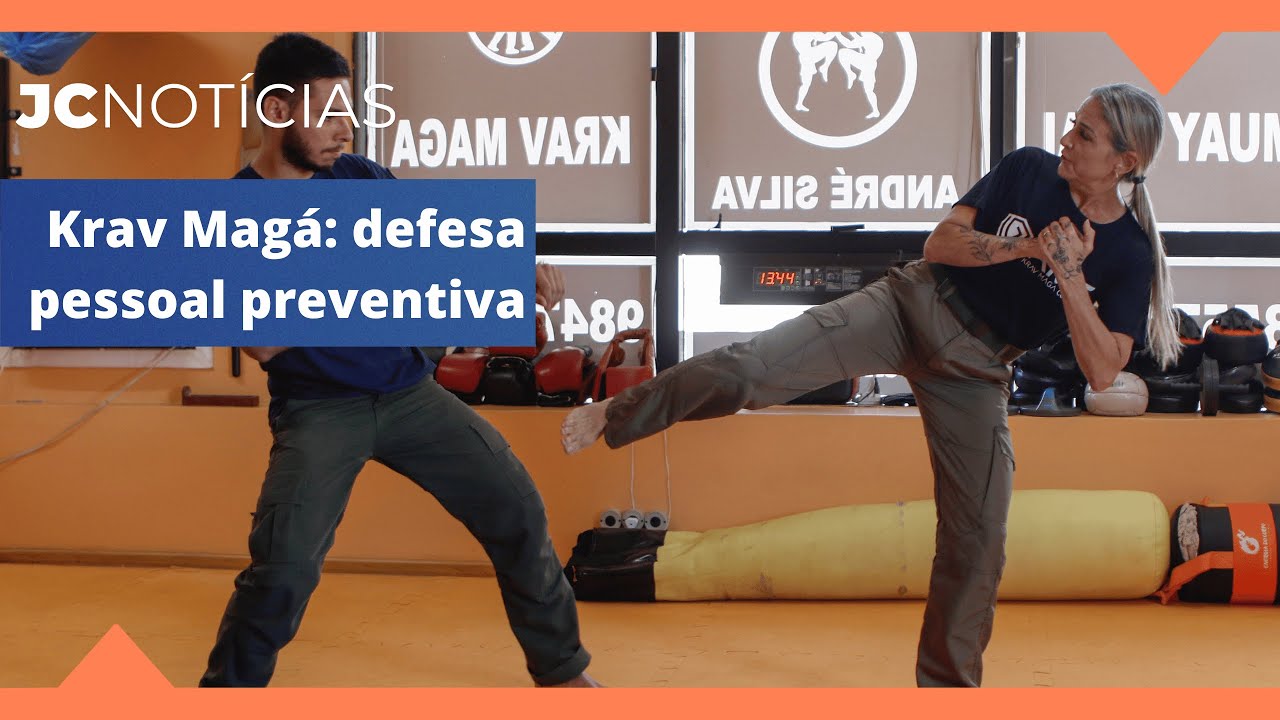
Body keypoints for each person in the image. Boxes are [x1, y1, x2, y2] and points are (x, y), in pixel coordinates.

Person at [562, 82, 1179, 688]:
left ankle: (947, 691)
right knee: (751, 368)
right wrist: (1027, 249)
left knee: (979, 540)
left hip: (977, 369)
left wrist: (1068, 274)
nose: (1067, 139)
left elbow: (1103, 369)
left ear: (1124, 162)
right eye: (1072, 125)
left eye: (1084, 134)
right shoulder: (1028, 169)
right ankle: (618, 412)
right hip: (909, 305)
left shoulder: (1128, 253)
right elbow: (940, 243)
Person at [200, 33, 600, 689]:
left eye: (348, 111)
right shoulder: (232, 214)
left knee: (517, 510)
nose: (344, 128)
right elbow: (264, 343)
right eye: (326, 112)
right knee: (283, 569)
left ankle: (561, 673)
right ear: (275, 110)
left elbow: (428, 251)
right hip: (319, 410)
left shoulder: (362, 178)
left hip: (411, 394)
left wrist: (509, 269)